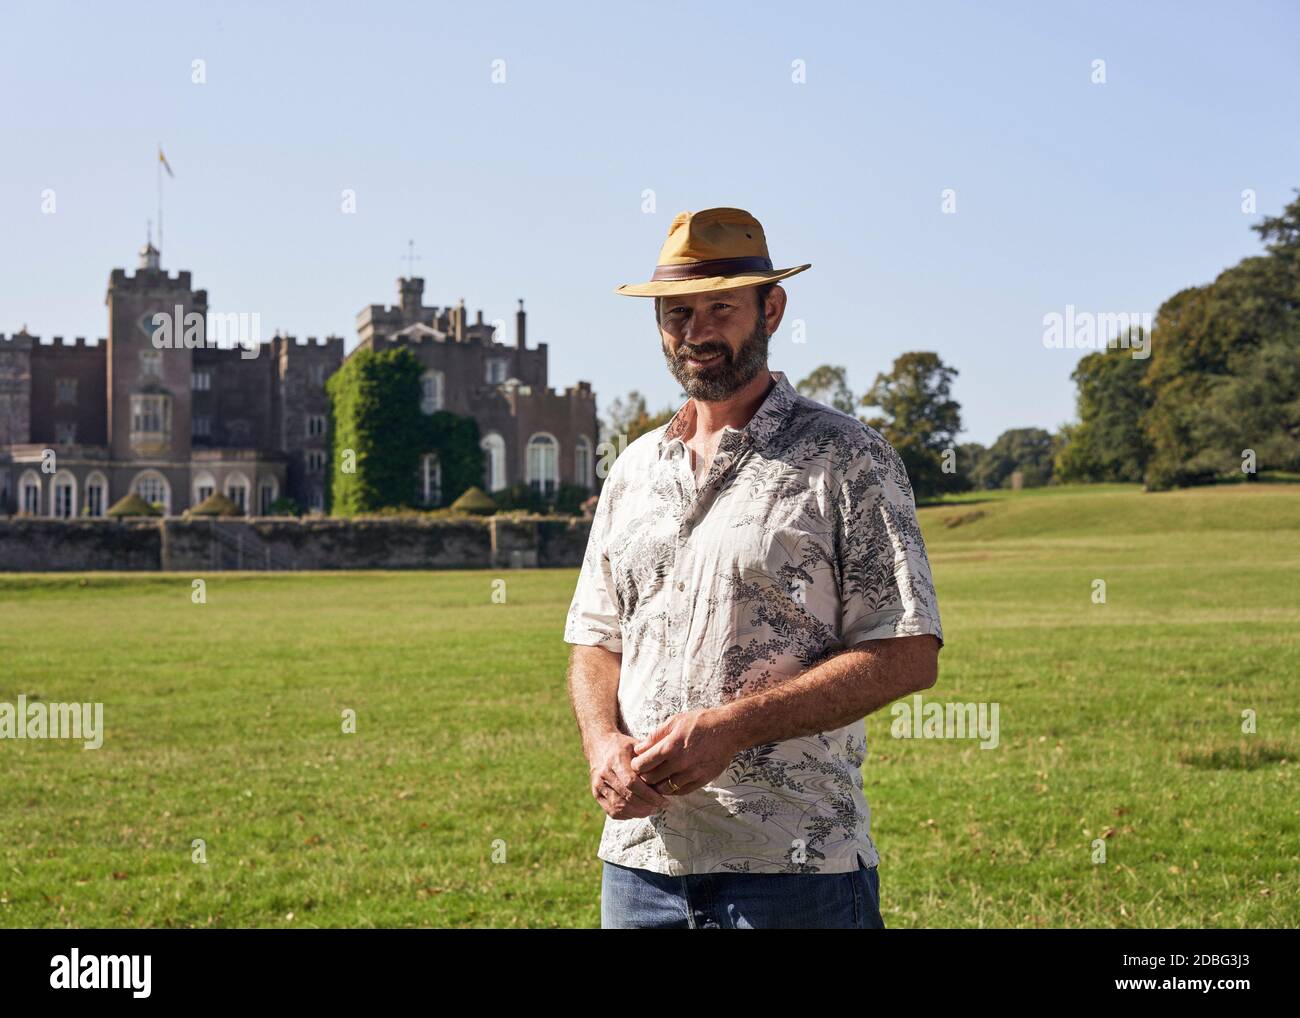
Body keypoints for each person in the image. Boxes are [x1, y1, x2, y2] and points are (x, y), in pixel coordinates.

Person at [564, 207, 944, 928]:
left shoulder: (848, 459)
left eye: (720, 308)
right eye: (677, 312)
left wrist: (731, 728)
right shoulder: (634, 470)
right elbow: (595, 640)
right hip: (640, 868)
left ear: (771, 308)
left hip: (794, 870)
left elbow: (906, 655)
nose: (696, 330)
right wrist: (601, 745)